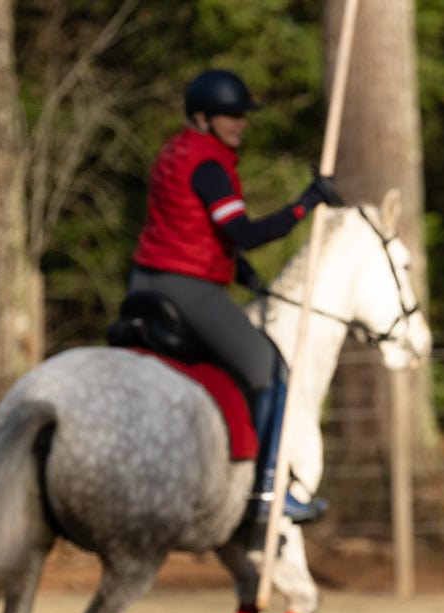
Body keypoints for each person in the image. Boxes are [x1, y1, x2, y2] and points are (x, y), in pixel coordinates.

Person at [130, 67, 341, 541]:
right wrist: (304, 204)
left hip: (144, 280)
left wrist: (235, 267)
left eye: (242, 115)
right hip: (183, 288)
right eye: (230, 116)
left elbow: (187, 227)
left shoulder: (173, 151)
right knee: (272, 368)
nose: (240, 123)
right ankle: (267, 495)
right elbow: (244, 232)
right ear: (203, 118)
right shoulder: (209, 163)